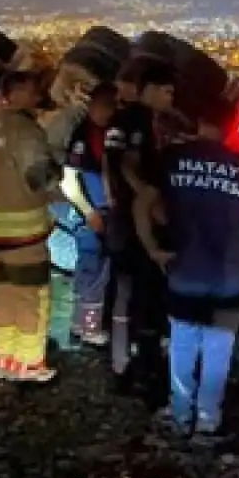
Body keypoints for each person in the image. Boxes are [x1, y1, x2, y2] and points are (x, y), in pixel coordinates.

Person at [133, 98, 239, 437]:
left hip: (186, 270)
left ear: (198, 122)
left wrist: (153, 248)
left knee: (182, 343)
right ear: (230, 126)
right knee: (218, 347)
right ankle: (208, 421)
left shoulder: (172, 160)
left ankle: (181, 416)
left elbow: (141, 204)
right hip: (230, 275)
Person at [0, 71, 62, 382]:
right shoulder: (25, 129)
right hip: (23, 231)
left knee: (1, 294)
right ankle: (30, 364)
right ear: (17, 91)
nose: (37, 98)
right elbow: (41, 177)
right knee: (30, 295)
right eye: (33, 91)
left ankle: (4, 361)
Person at [104, 61, 176, 401]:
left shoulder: (144, 121)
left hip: (130, 219)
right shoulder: (132, 121)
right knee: (134, 296)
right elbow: (124, 165)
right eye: (166, 91)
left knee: (132, 295)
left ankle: (129, 364)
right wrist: (148, 199)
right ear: (147, 90)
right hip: (132, 223)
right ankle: (130, 367)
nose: (169, 98)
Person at [60, 82, 117, 345]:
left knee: (96, 268)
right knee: (93, 269)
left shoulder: (105, 133)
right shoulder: (84, 137)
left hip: (100, 212)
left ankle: (80, 322)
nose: (109, 113)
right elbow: (68, 181)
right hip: (90, 214)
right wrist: (89, 212)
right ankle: (89, 327)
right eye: (106, 107)